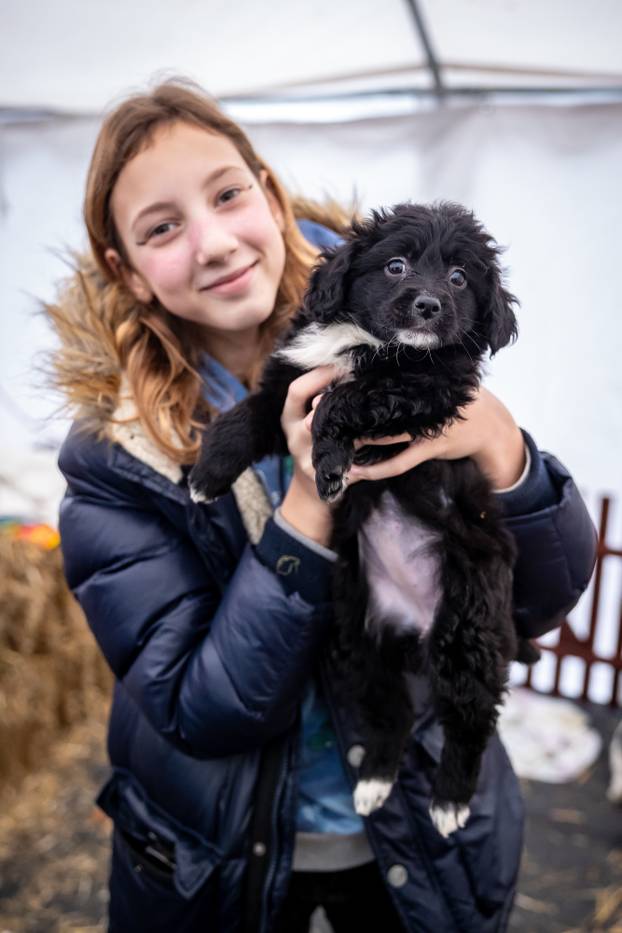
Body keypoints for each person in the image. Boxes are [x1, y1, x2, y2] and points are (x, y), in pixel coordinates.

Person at [48, 79, 597, 933]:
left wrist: (506, 454)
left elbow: (535, 594)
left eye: (228, 194)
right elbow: (202, 707)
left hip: (423, 846)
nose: (214, 241)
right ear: (126, 270)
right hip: (219, 863)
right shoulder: (112, 461)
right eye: (163, 226)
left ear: (268, 193)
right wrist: (307, 500)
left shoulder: (406, 318)